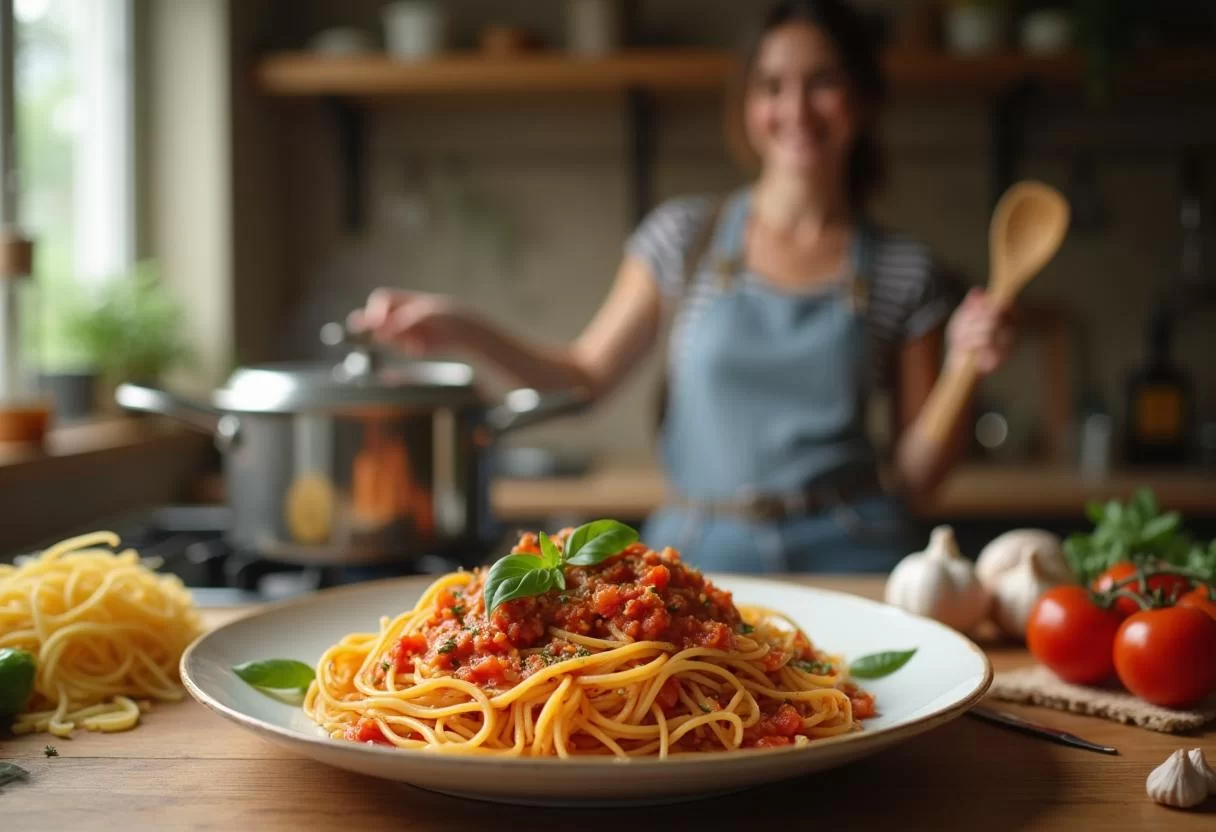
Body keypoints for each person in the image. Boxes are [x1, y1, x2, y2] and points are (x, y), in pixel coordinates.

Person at [348, 0, 1013, 574]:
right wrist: (461, 327)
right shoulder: (682, 238)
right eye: (772, 85)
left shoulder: (907, 272)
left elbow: (920, 483)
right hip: (696, 558)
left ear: (862, 99)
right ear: (747, 105)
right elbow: (581, 378)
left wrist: (964, 368)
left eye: (823, 82)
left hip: (856, 556)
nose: (795, 108)